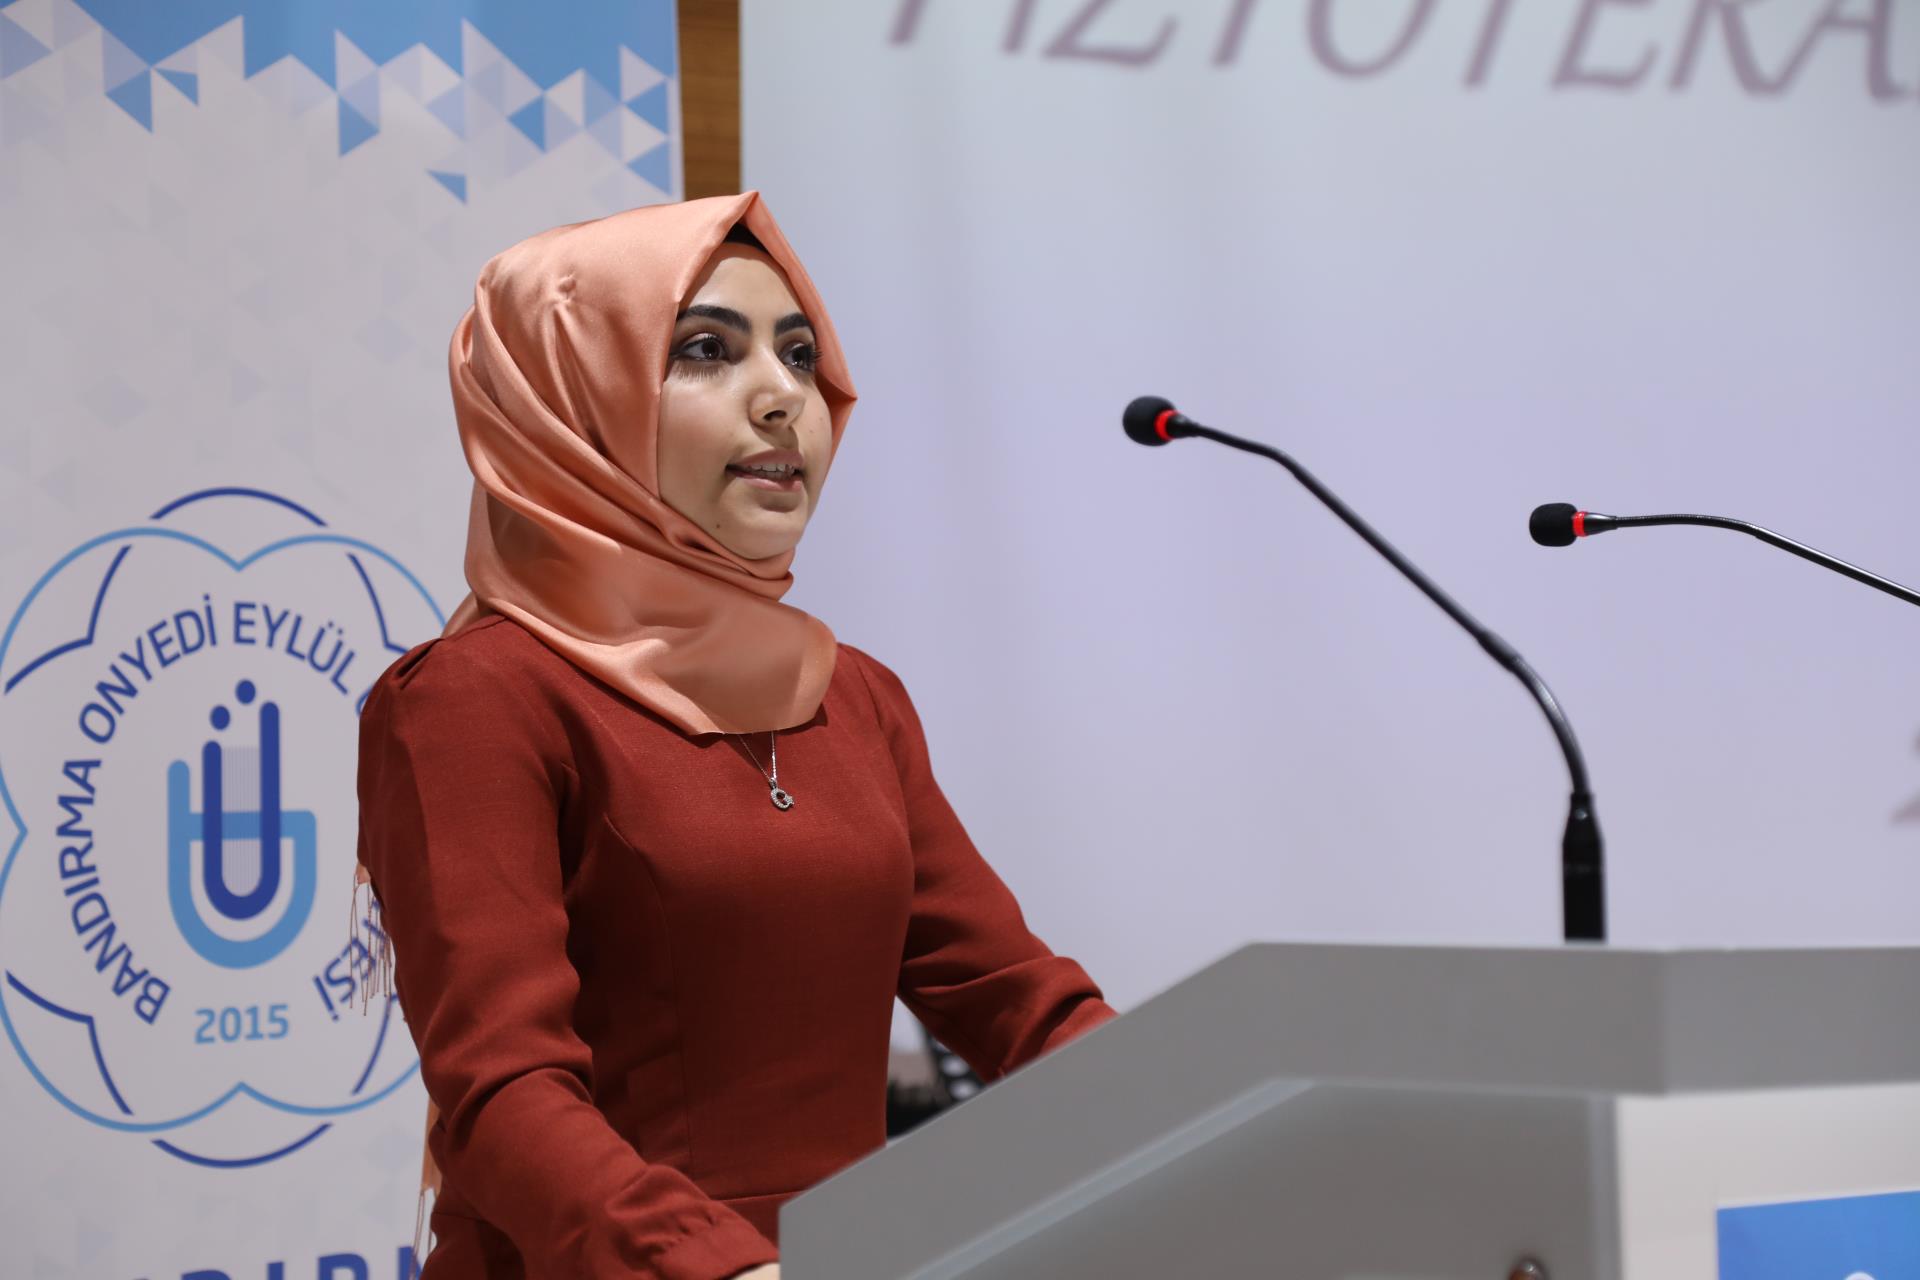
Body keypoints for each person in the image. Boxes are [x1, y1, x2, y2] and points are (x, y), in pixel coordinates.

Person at [353, 191, 1119, 1280]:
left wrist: (1218, 1110)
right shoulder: (475, 699)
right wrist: (713, 1264)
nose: (784, 398)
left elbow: (1020, 1001)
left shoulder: (855, 695)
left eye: (802, 356)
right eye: (707, 350)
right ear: (571, 399)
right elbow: (502, 1088)